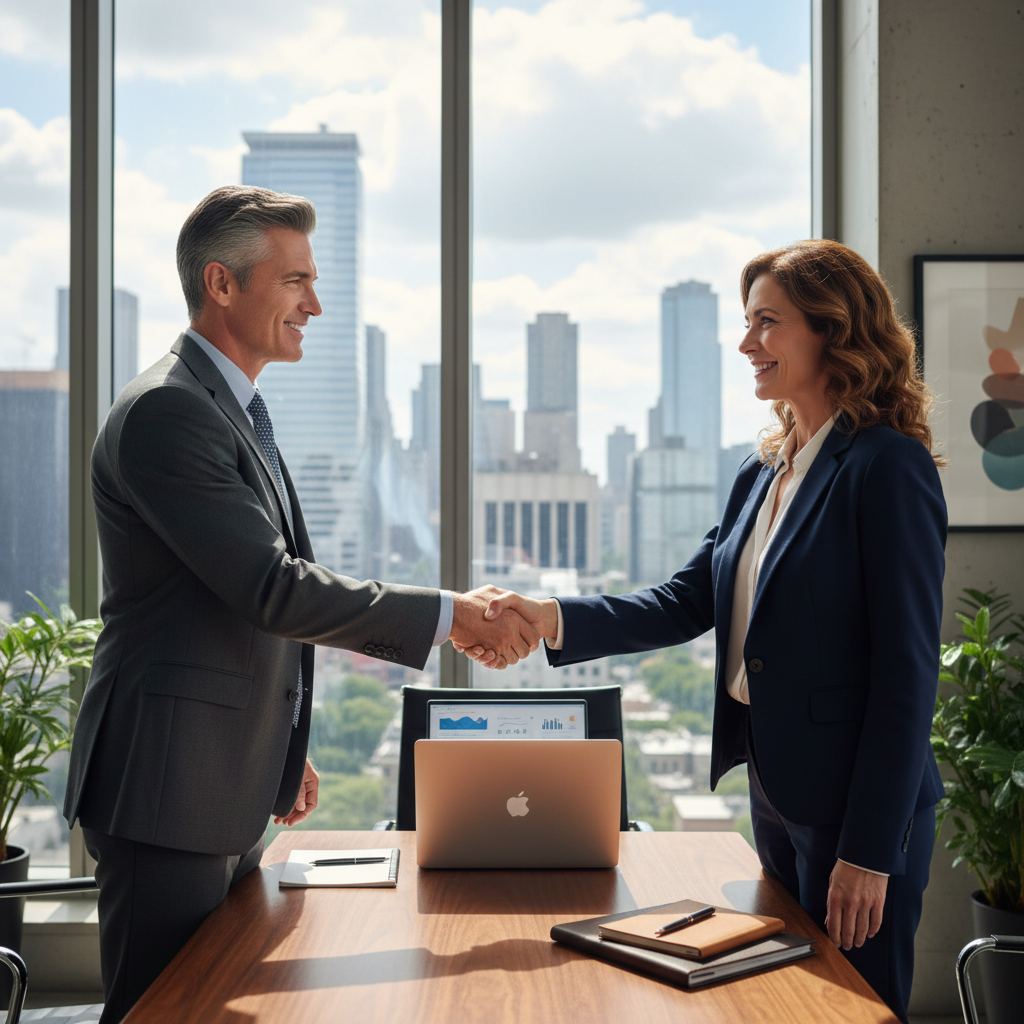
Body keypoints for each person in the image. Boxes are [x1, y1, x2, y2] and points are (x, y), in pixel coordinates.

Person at [63, 185, 535, 1023]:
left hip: (217, 774)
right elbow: (270, 586)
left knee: (214, 1000)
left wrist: (279, 742)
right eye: (295, 283)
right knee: (160, 1009)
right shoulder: (169, 411)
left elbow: (233, 607)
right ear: (222, 283)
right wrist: (448, 614)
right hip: (168, 786)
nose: (314, 305)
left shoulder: (231, 407)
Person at [462, 239, 946, 1023]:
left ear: (830, 329)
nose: (747, 344)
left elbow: (907, 673)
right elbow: (686, 600)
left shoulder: (885, 467)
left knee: (857, 1007)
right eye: (745, 323)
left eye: (767, 323)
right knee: (789, 1003)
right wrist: (549, 617)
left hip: (858, 809)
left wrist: (867, 849)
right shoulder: (763, 472)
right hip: (776, 789)